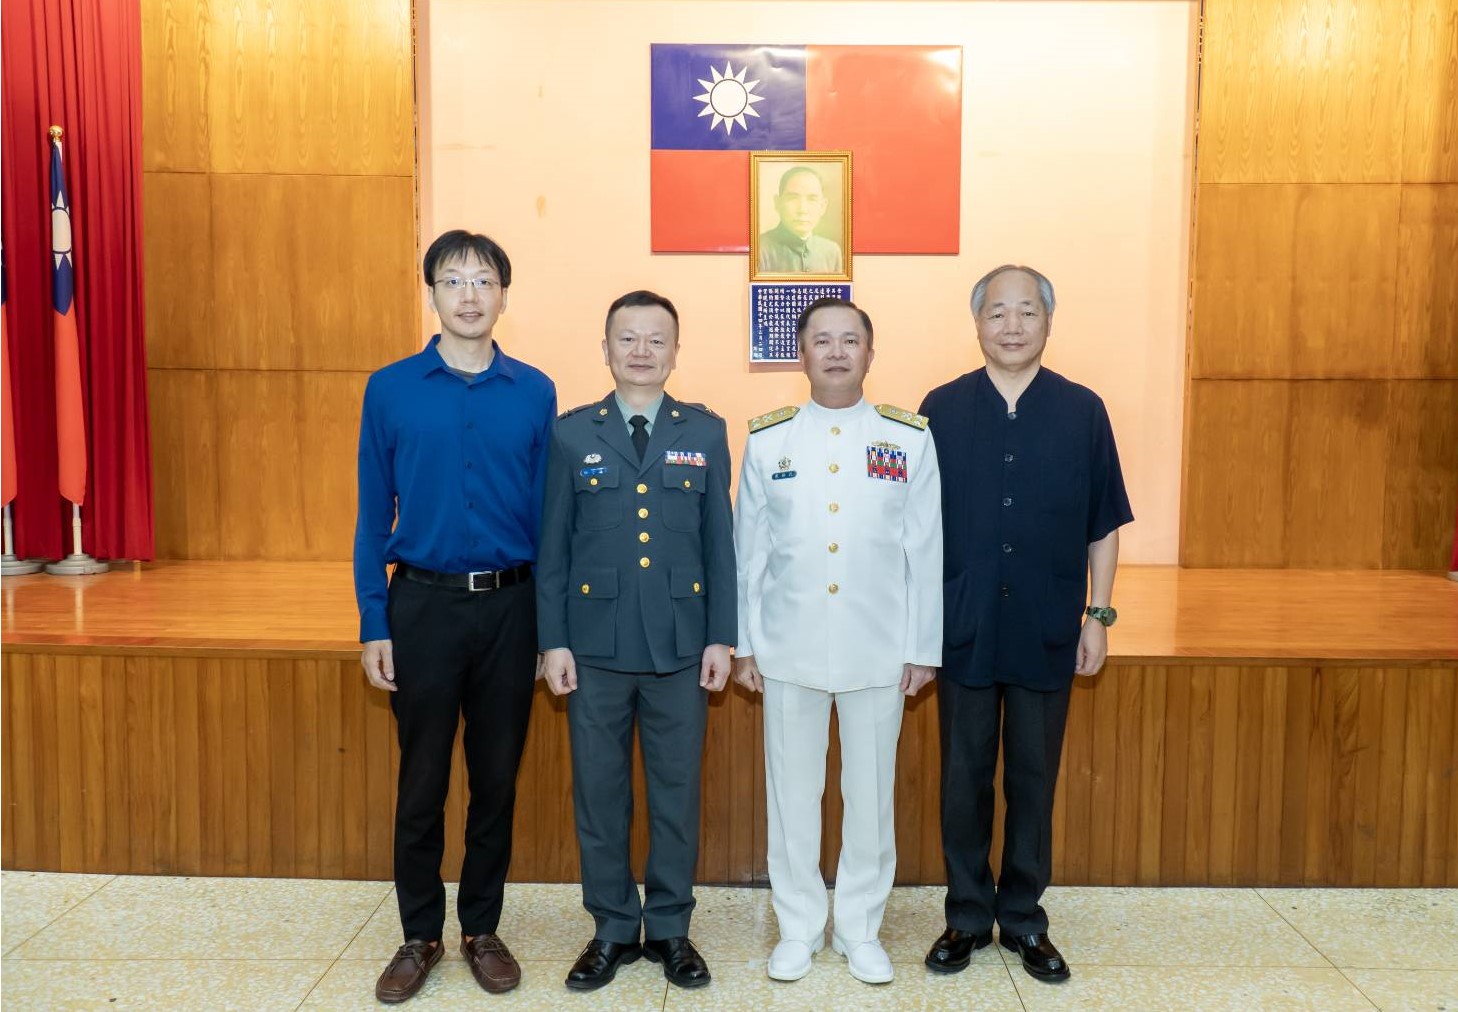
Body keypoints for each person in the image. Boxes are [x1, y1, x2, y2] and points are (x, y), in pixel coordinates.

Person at [354, 230, 557, 1002]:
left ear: (504, 294)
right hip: (423, 607)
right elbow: (371, 514)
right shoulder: (390, 389)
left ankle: (481, 928)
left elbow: (547, 519)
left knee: (496, 778)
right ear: (431, 292)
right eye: (453, 280)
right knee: (423, 779)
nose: (469, 295)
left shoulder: (535, 391)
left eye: (483, 281)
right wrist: (375, 619)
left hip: (511, 607)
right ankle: (419, 934)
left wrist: (548, 629)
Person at [919, 265, 1133, 984]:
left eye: (1027, 312)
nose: (1012, 326)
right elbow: (914, 527)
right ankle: (965, 915)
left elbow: (1103, 523)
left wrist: (1097, 615)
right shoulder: (941, 410)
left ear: (1048, 322)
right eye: (997, 312)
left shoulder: (1082, 410)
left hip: (1047, 625)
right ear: (977, 324)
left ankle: (1022, 918)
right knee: (964, 778)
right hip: (965, 624)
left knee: (1034, 779)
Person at [734, 297, 942, 985]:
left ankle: (859, 929)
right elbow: (747, 553)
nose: (836, 352)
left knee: (870, 799)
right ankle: (798, 927)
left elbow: (925, 549)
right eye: (821, 340)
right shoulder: (769, 440)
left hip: (877, 647)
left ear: (870, 353)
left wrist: (923, 648)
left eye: (850, 340)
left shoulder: (907, 439)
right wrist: (744, 644)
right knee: (792, 797)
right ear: (801, 354)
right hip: (788, 646)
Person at [537, 290, 736, 993]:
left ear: (676, 350)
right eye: (628, 338)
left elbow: (720, 545)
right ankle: (614, 927)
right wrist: (553, 641)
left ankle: (672, 927)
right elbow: (553, 548)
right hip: (594, 647)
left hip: (681, 647)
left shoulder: (705, 432)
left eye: (657, 339)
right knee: (600, 793)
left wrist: (722, 638)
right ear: (606, 349)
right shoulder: (571, 435)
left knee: (676, 794)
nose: (642, 350)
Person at [756, 165, 845, 275]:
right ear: (777, 203)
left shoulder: (832, 251)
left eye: (812, 199)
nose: (803, 209)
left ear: (823, 207)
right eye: (793, 198)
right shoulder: (759, 248)